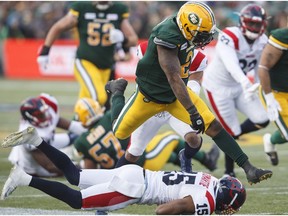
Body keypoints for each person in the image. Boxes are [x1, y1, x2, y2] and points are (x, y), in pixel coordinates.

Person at [109, 1, 272, 185]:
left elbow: (185, 81)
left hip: (175, 96)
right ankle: (117, 92)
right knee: (120, 133)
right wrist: (193, 112)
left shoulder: (189, 38)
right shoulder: (166, 38)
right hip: (149, 98)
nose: (205, 38)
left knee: (214, 127)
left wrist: (194, 109)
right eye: (202, 34)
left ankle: (249, 168)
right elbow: (173, 78)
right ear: (187, 27)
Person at [1, 126, 246, 215]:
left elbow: (185, 175)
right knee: (77, 200)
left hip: (137, 173)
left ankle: (37, 141)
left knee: (76, 176)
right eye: (231, 207)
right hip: (135, 189)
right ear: (225, 199)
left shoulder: (208, 180)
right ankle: (24, 178)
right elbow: (162, 211)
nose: (229, 211)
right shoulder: (208, 200)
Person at [128, 40, 219, 173]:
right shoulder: (148, 49)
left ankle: (188, 162)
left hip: (174, 105)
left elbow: (193, 87)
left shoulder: (197, 58)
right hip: (151, 105)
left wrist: (187, 97)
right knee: (136, 150)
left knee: (193, 138)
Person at [201, 3, 270, 177]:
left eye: (257, 24)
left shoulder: (263, 41)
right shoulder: (229, 35)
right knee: (232, 131)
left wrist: (262, 88)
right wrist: (246, 82)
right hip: (218, 88)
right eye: (251, 23)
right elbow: (231, 64)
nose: (254, 27)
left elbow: (259, 67)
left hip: (239, 86)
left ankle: (226, 138)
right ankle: (229, 173)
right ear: (242, 22)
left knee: (262, 118)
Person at [37, 1, 138, 111]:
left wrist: (123, 39)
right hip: (85, 61)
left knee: (85, 102)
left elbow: (133, 40)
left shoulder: (118, 9)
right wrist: (45, 50)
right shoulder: (82, 7)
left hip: (106, 67)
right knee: (99, 98)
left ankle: (77, 125)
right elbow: (58, 27)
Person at [73, 96, 218, 171]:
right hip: (142, 162)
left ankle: (188, 163)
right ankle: (207, 160)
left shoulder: (82, 142)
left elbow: (90, 168)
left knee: (168, 152)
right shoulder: (108, 119)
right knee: (172, 138)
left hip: (120, 169)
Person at [8, 93, 87, 177]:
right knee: (75, 169)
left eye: (44, 112)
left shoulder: (48, 108)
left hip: (48, 141)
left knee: (75, 137)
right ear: (31, 118)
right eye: (40, 115)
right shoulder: (29, 134)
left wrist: (88, 131)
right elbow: (49, 166)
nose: (45, 116)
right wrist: (78, 167)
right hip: (34, 167)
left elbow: (60, 121)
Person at [257, 27, 288, 166]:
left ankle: (270, 140)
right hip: (276, 93)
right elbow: (263, 67)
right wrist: (269, 98)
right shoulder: (282, 37)